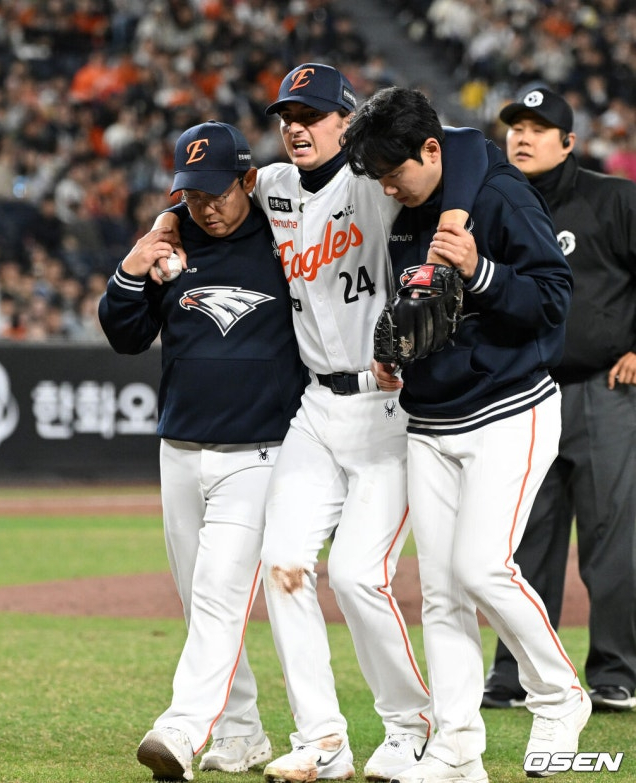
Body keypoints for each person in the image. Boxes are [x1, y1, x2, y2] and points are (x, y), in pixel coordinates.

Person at [154, 63, 488, 783]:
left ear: (347, 119)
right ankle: (323, 737)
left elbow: (464, 145)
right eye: (285, 116)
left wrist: (455, 217)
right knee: (282, 567)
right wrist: (160, 223)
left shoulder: (372, 178)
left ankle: (410, 726)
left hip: (389, 405)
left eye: (312, 114)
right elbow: (194, 200)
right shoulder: (268, 185)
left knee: (358, 577)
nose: (296, 127)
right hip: (315, 404)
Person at [342, 86, 590, 783]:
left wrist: (480, 270)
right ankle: (455, 744)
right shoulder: (407, 207)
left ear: (430, 150)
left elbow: (552, 298)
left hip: (511, 407)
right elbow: (423, 302)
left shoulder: (500, 197)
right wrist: (396, 352)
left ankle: (557, 694)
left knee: (482, 567)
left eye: (395, 171)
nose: (388, 186)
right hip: (429, 417)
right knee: (442, 591)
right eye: (378, 177)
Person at [99, 121, 308, 782]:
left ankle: (182, 728)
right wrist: (132, 268)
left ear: (248, 179)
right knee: (198, 598)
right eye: (192, 193)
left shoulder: (285, 238)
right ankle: (243, 733)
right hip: (181, 444)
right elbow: (125, 335)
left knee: (220, 593)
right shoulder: (172, 239)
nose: (205, 204)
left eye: (217, 190)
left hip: (260, 448)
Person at [481, 86, 636, 714]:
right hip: (523, 395)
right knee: (519, 544)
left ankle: (616, 674)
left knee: (613, 543)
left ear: (569, 142)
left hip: (604, 392)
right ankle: (515, 674)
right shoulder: (493, 207)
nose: (522, 135)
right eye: (515, 125)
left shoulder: (613, 199)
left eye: (539, 128)